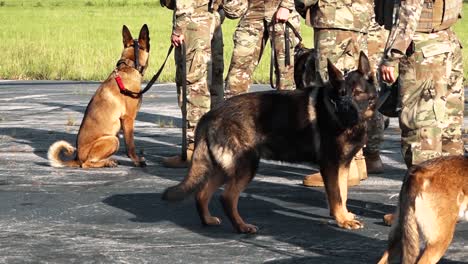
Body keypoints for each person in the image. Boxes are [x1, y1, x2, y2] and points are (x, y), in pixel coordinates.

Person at [380, 0, 464, 225]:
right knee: (448, 128)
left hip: (423, 48)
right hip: (446, 40)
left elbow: (409, 8)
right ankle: (451, 203)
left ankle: (424, 208)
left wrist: (391, 55)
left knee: (421, 130)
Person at [300, 0, 377, 187]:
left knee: (335, 94)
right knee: (350, 90)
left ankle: (344, 166)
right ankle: (357, 163)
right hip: (353, 16)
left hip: (336, 19)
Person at [162, 0, 225, 168]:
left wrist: (179, 27)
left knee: (193, 84)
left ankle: (194, 148)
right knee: (213, 83)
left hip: (193, 20)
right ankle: (215, 144)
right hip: (212, 18)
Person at [224, 0, 302, 98]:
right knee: (240, 65)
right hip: (252, 12)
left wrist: (286, 6)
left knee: (285, 72)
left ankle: (287, 109)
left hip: (279, 11)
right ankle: (233, 107)